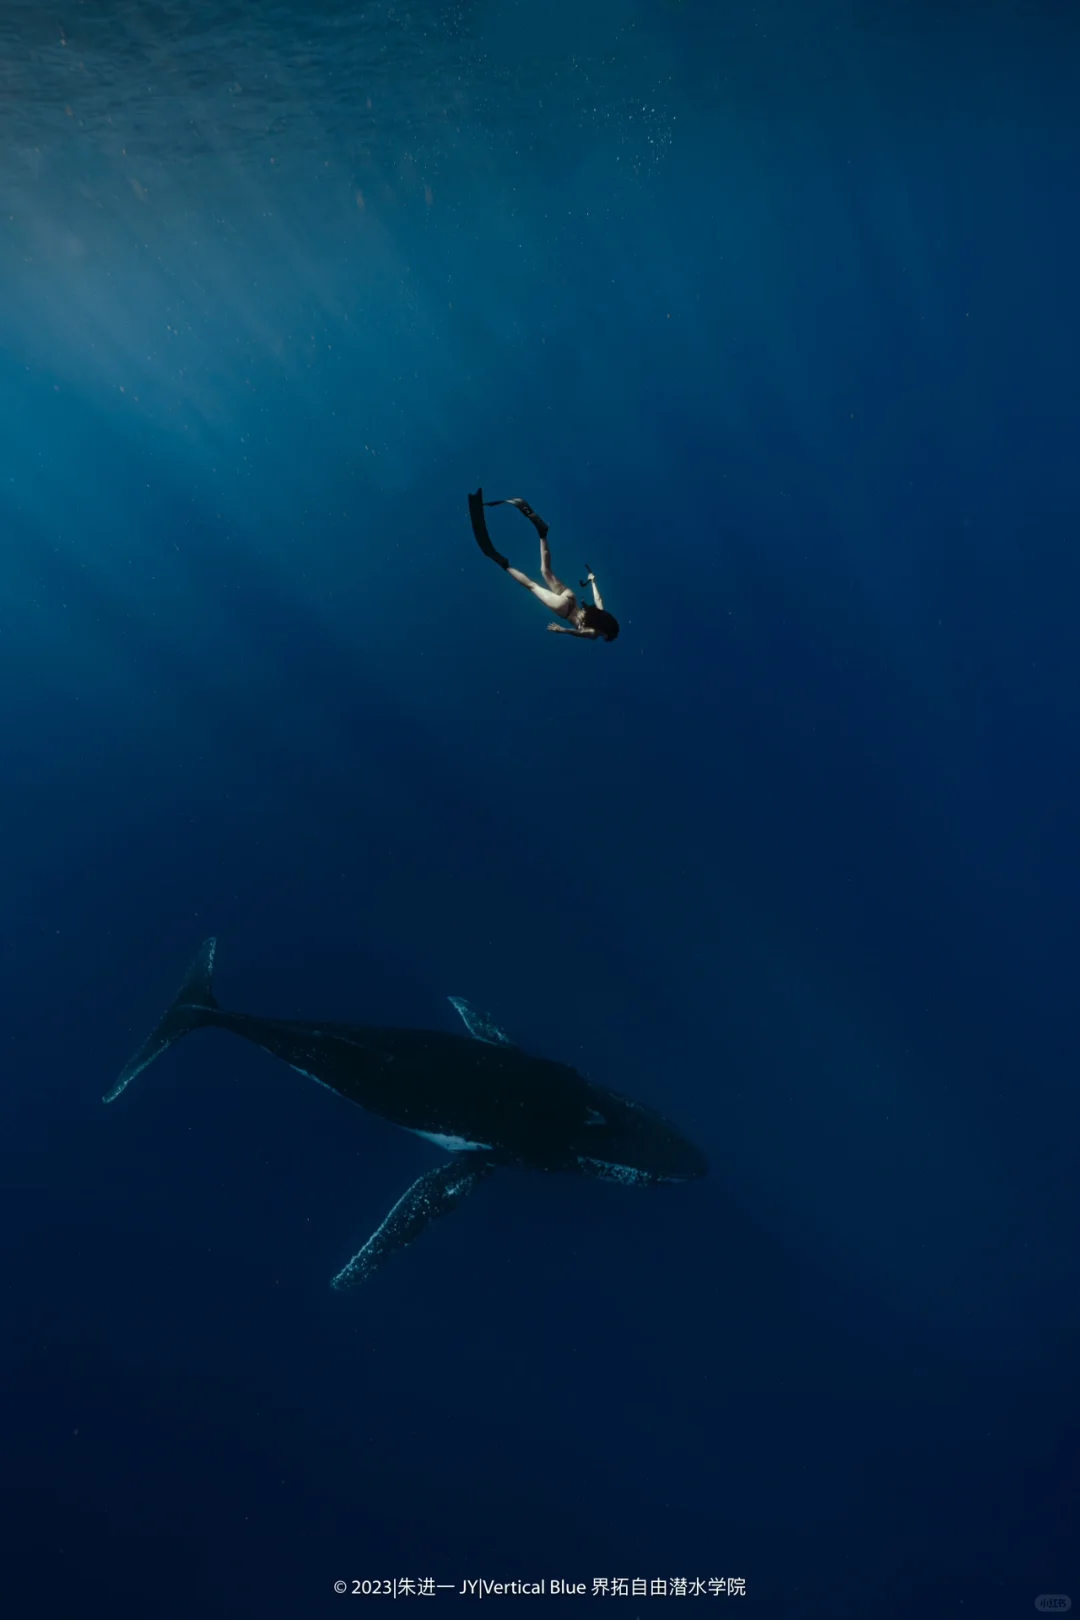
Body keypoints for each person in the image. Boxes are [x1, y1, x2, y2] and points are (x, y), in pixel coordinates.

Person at [468, 487, 620, 641]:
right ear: (607, 633)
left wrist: (593, 581)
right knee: (531, 586)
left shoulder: (601, 612)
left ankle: (542, 534)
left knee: (545, 570)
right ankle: (502, 563)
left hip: (570, 596)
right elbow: (582, 633)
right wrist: (563, 630)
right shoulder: (595, 633)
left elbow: (598, 599)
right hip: (564, 609)